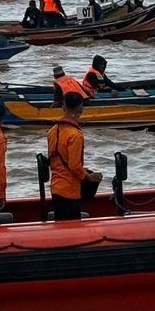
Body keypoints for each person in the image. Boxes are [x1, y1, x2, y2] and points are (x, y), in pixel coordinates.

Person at [46, 91, 99, 221]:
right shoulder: (75, 135)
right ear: (81, 108)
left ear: (64, 107)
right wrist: (88, 176)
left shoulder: (53, 131)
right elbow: (75, 166)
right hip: (70, 190)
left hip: (56, 187)